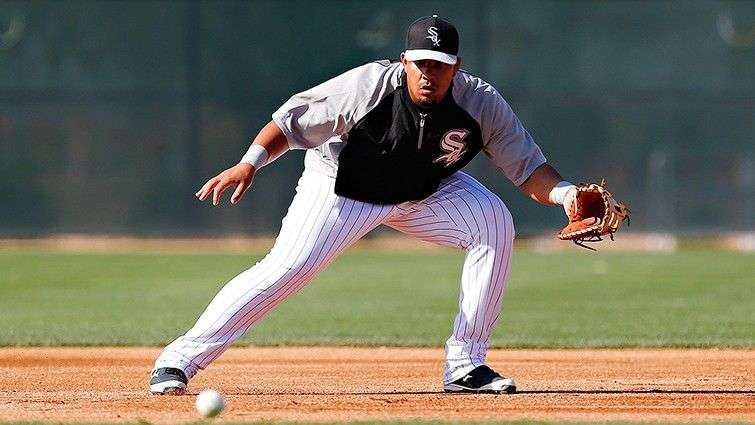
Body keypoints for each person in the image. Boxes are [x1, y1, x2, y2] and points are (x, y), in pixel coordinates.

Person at [149, 15, 578, 395]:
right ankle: (179, 359)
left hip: (423, 193)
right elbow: (290, 122)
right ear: (404, 61)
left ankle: (465, 364)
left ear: (456, 67)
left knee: (495, 224)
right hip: (342, 187)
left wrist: (567, 196)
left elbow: (527, 169)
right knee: (289, 268)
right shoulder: (368, 86)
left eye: (440, 65)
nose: (430, 73)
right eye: (421, 62)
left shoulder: (480, 103)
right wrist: (250, 162)